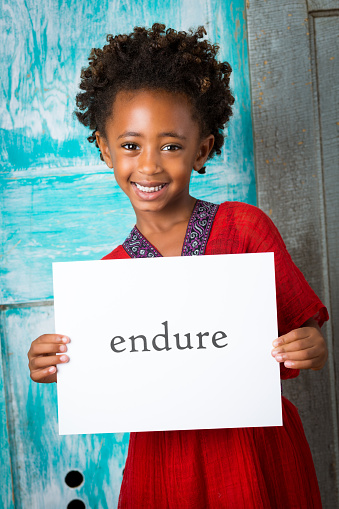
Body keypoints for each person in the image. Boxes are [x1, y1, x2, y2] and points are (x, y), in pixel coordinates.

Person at [28, 24, 329, 508]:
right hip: (164, 465)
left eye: (170, 145)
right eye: (130, 145)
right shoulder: (106, 281)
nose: (149, 165)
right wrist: (55, 363)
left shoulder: (246, 230)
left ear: (202, 149)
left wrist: (310, 343)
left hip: (255, 450)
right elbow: (101, 372)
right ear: (105, 149)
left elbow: (303, 328)